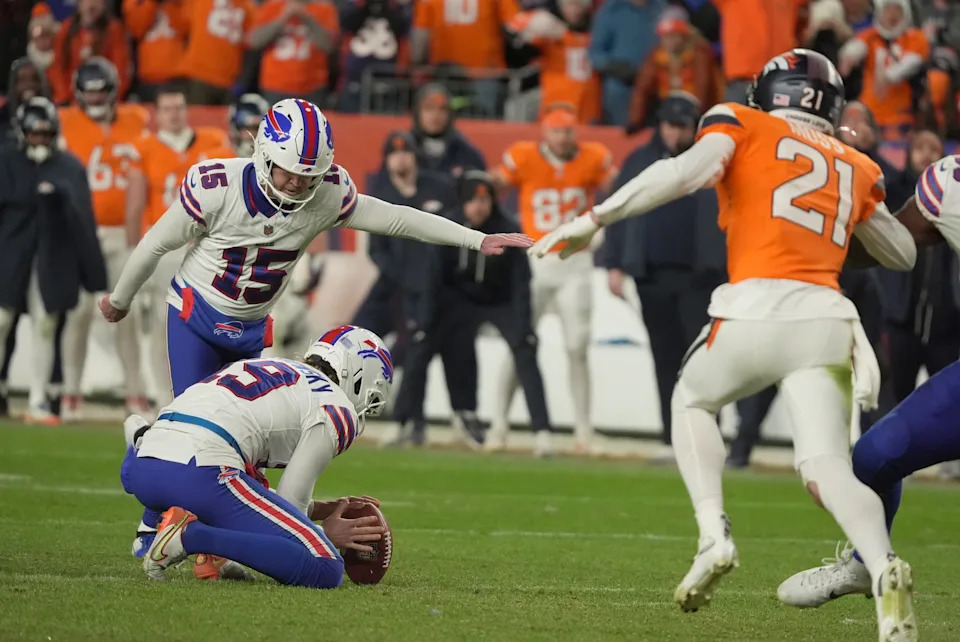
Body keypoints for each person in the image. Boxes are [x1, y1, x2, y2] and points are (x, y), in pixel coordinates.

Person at [530, 49, 919, 641]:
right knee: (827, 467)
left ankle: (713, 533)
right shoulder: (855, 163)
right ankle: (884, 564)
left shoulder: (743, 120)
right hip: (826, 319)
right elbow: (903, 252)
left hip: (755, 304)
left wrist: (596, 219)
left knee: (691, 400)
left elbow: (681, 172)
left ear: (771, 92)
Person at [97, 97, 532, 556]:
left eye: (308, 173)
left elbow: (398, 218)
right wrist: (121, 298)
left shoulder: (325, 192)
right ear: (263, 152)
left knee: (242, 449)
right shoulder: (216, 185)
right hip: (196, 315)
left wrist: (475, 238)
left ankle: (204, 546)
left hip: (251, 327)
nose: (298, 182)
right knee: (197, 437)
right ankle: (155, 525)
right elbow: (154, 245)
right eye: (288, 170)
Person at [776, 149, 960, 613]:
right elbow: (892, 244)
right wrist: (818, 238)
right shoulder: (951, 182)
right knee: (875, 456)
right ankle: (867, 562)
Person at [121, 325, 392, 586]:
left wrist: (319, 509)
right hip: (198, 470)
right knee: (324, 565)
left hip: (148, 465)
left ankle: (141, 465)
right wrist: (327, 534)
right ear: (359, 379)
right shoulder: (337, 406)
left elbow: (253, 499)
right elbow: (290, 505)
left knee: (240, 476)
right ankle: (190, 537)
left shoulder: (269, 368)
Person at [600, 93, 775, 462]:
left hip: (702, 277)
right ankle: (671, 438)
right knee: (665, 359)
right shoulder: (639, 160)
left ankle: (706, 436)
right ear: (660, 124)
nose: (675, 133)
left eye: (682, 126)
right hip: (651, 276)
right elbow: (617, 208)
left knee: (703, 361)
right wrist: (614, 263)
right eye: (671, 125)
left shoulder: (715, 159)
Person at [393, 171, 552, 454]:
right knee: (420, 344)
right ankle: (401, 422)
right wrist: (425, 321)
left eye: (484, 199)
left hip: (497, 300)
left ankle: (542, 432)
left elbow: (521, 284)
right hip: (457, 299)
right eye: (472, 200)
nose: (478, 206)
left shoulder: (508, 228)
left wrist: (524, 325)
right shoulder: (447, 225)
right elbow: (433, 277)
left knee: (526, 348)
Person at [491, 102, 617, 455]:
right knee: (520, 343)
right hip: (535, 261)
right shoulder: (524, 157)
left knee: (578, 347)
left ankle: (582, 430)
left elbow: (619, 190)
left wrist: (605, 225)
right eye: (557, 130)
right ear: (545, 131)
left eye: (568, 130)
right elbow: (492, 187)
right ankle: (498, 424)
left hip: (575, 263)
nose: (563, 137)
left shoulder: (594, 157)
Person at [0, 97, 106, 422]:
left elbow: (84, 222)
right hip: (10, 257)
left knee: (46, 326)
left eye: (45, 135)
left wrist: (94, 277)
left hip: (53, 259)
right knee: (2, 322)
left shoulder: (69, 167)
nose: (40, 141)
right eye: (34, 134)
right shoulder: (6, 162)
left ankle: (38, 398)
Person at [127, 86, 233, 408]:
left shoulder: (214, 142)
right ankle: (164, 395)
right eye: (168, 108)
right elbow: (134, 206)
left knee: (212, 322)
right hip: (166, 250)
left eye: (179, 107)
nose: (174, 114)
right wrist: (137, 263)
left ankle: (208, 395)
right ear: (158, 113)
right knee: (165, 325)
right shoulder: (143, 148)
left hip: (206, 248)